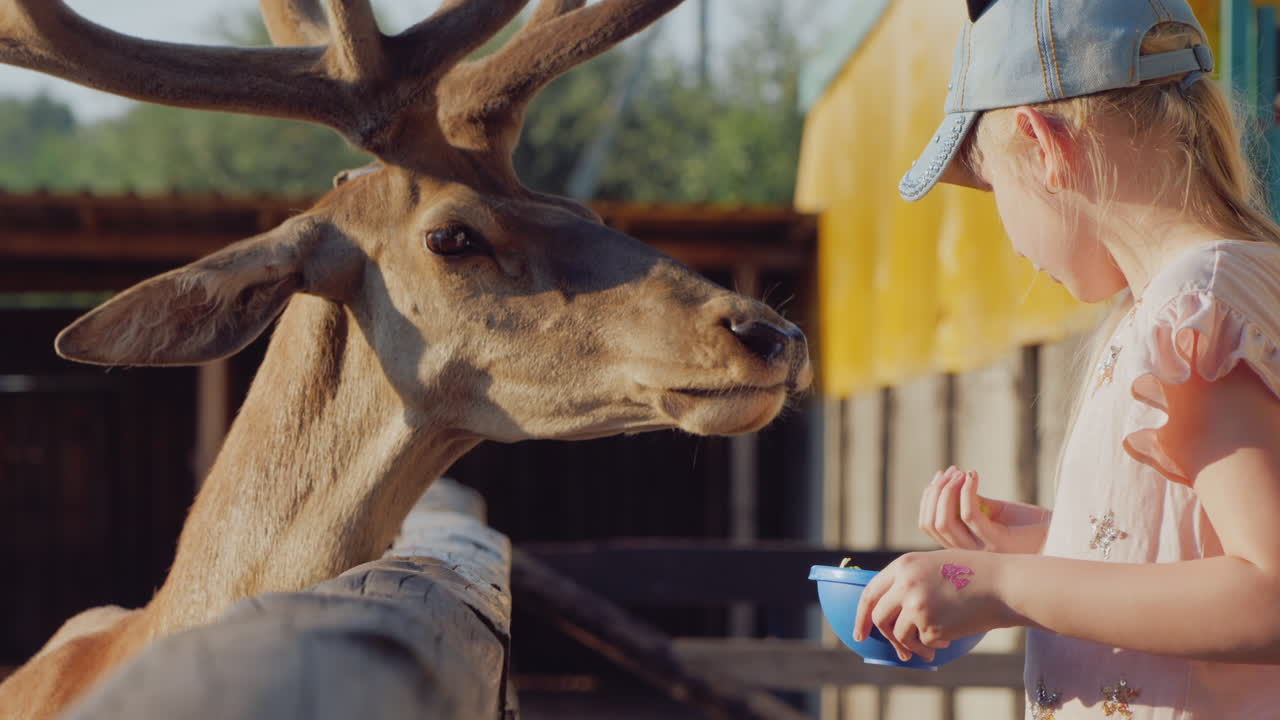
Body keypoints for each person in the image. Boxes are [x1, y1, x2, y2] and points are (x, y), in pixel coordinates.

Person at [853, 0, 1280, 717]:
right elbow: (1195, 559)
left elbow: (1268, 592)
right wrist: (1050, 542)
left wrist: (993, 586)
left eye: (992, 187)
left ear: (1043, 146)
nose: (1008, 236)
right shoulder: (1203, 294)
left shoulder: (1195, 305)